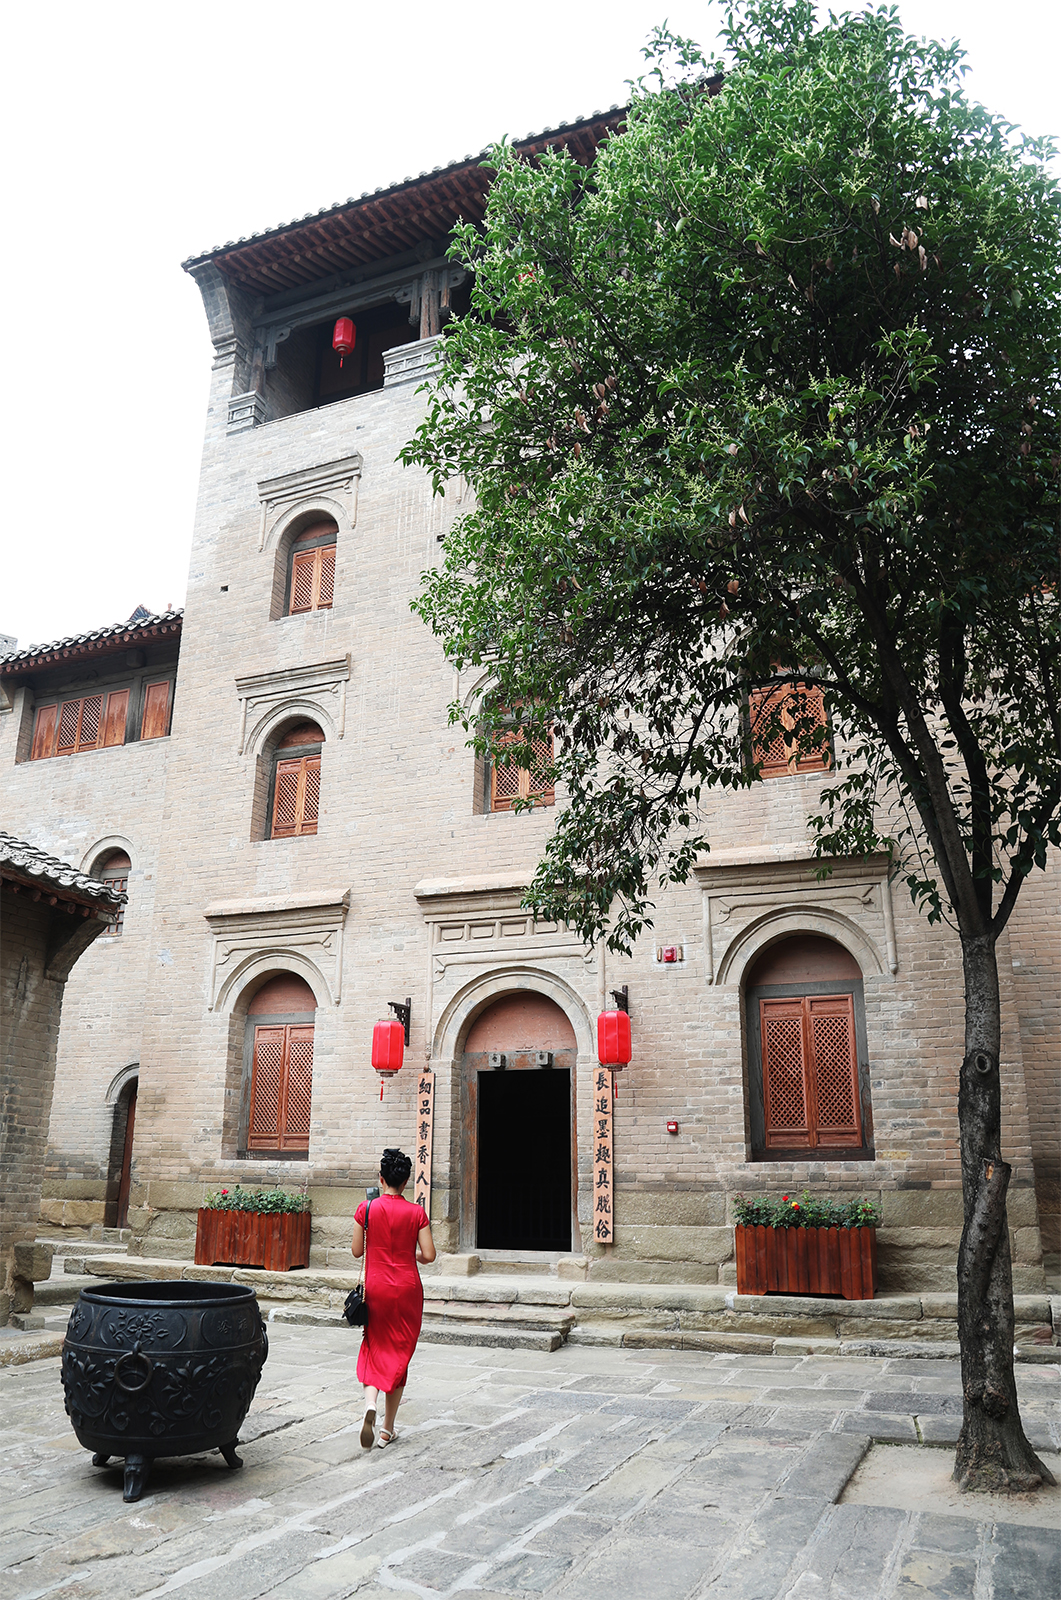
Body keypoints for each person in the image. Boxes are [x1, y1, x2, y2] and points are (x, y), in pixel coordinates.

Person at [351, 1146, 435, 1448]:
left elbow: (357, 1251)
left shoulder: (367, 1209)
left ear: (381, 1178)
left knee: (375, 1345)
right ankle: (387, 1429)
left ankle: (370, 1402)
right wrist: (408, 1254)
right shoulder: (417, 1212)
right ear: (406, 1181)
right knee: (400, 1352)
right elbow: (429, 1255)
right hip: (408, 1289)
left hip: (376, 1289)